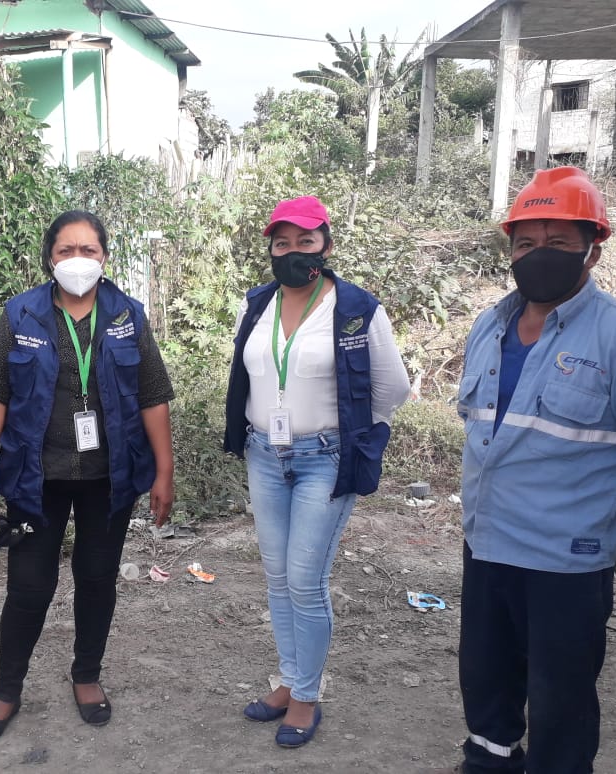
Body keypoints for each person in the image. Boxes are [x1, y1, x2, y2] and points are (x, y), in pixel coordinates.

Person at [440, 166, 616, 774]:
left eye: (557, 241)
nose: (538, 254)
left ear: (592, 249)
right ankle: (489, 762)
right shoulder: (488, 325)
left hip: (566, 560)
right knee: (487, 688)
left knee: (560, 705)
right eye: (526, 242)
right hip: (487, 544)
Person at [0, 210, 175, 742]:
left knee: (97, 579)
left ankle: (86, 675)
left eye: (89, 250)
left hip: (110, 478)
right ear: (49, 258)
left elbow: (153, 394)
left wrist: (164, 471)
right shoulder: (21, 314)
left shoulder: (127, 315)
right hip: (36, 479)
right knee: (29, 587)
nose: (77, 260)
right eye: (66, 250)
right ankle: (6, 690)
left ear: (104, 257)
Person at [224, 196, 410, 749]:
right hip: (264, 454)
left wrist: (353, 437)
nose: (293, 252)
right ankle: (288, 680)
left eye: (305, 241)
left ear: (326, 245)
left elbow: (392, 388)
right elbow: (249, 373)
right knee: (277, 576)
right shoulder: (256, 304)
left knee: (305, 579)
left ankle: (306, 696)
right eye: (281, 243)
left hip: (323, 459)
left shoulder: (355, 308)